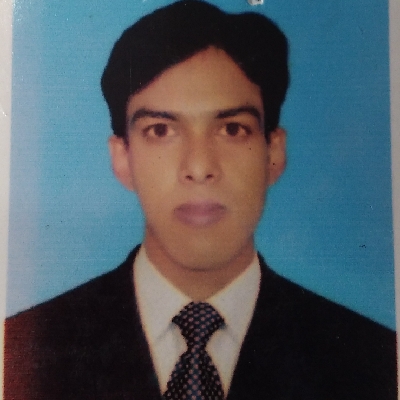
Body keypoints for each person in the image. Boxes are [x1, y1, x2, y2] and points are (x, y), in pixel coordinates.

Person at [4, 1, 397, 399]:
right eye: (160, 130)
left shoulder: (373, 361)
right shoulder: (20, 353)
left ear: (274, 153)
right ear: (122, 158)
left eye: (232, 129)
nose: (199, 167)